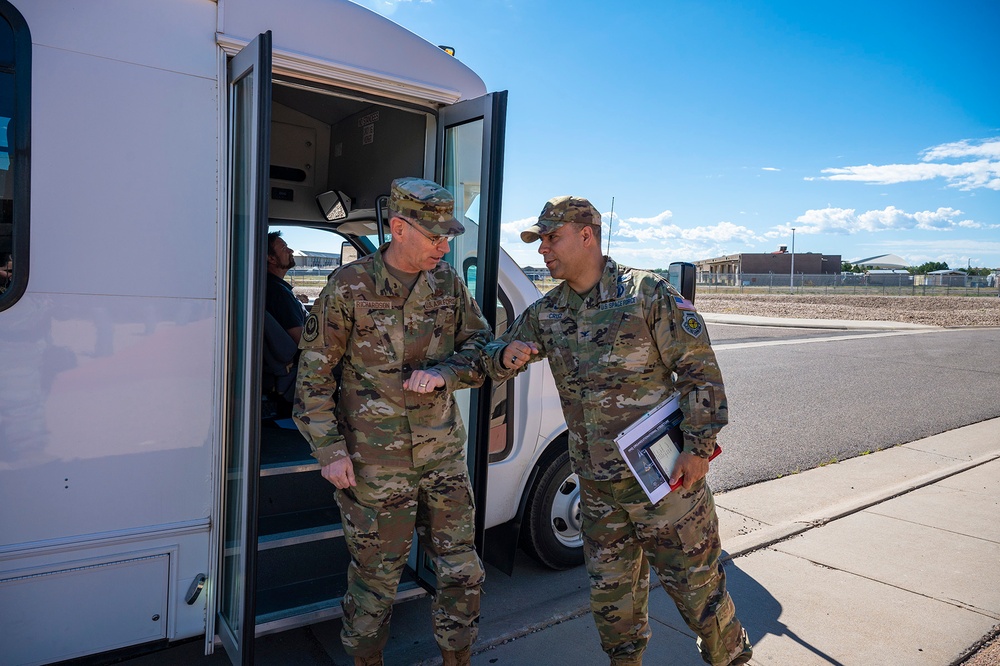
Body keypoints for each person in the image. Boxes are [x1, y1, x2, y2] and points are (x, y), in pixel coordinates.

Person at [482, 196, 753, 666]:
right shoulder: (549, 312)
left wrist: (698, 449)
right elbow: (497, 355)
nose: (543, 249)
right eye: (539, 240)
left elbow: (699, 373)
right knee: (613, 604)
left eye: (551, 237)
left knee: (697, 592)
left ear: (587, 235)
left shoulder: (647, 293)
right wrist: (499, 359)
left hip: (666, 483)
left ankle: (730, 656)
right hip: (597, 488)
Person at [293, 177, 490, 666]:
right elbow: (313, 377)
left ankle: (457, 659)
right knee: (375, 582)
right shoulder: (349, 286)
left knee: (462, 571)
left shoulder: (447, 284)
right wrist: (331, 451)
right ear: (398, 228)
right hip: (375, 464)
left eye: (448, 235)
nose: (445, 246)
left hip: (442, 456)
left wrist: (445, 373)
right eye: (435, 235)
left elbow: (480, 349)